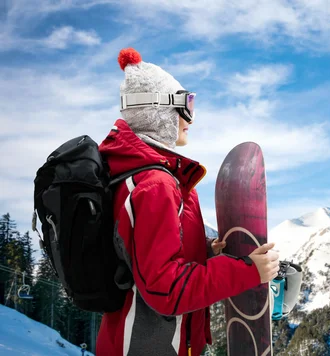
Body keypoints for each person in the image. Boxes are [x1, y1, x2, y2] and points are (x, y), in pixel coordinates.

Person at [95, 48, 280, 356]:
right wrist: (249, 272)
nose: (189, 119)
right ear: (160, 112)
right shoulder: (156, 185)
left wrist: (206, 252)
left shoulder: (141, 175)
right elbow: (164, 288)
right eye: (186, 105)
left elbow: (140, 254)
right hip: (145, 346)